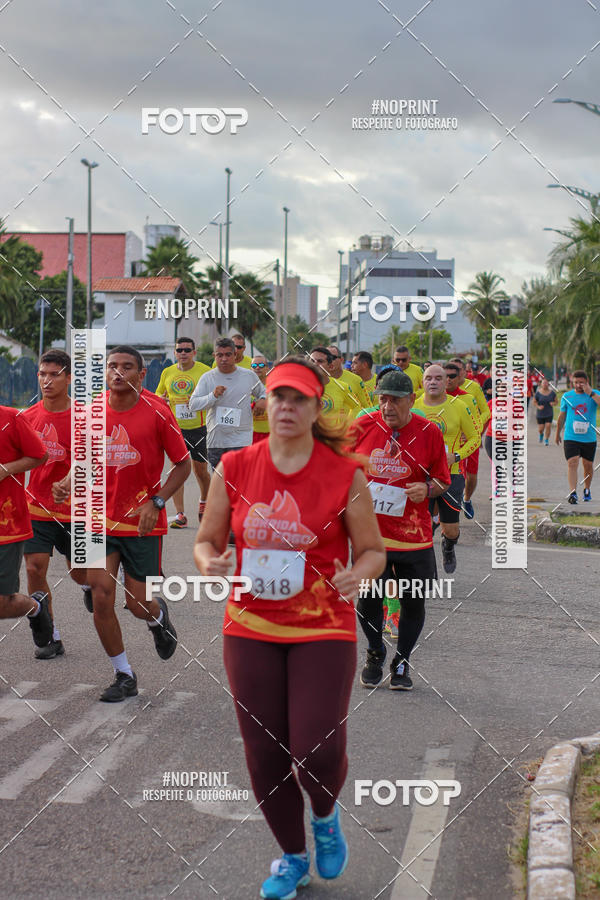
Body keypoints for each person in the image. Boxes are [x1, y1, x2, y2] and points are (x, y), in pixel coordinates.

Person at [194, 356, 385, 900]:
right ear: (265, 401)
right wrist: (208, 561)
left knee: (316, 747)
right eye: (279, 396)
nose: (287, 406)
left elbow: (372, 550)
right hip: (250, 624)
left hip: (322, 624)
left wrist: (358, 574)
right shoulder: (234, 466)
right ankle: (293, 856)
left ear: (316, 407)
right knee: (265, 751)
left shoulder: (344, 473)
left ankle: (324, 815)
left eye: (299, 398)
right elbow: (207, 541)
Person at [52, 346, 191, 702]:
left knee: (138, 604)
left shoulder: (158, 412)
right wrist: (69, 481)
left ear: (141, 374)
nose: (117, 372)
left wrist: (157, 501)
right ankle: (124, 674)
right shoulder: (92, 411)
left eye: (126, 367)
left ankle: (156, 618)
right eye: (112, 366)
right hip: (97, 518)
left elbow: (183, 465)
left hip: (142, 523)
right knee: (100, 595)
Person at [348, 370, 450, 691]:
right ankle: (375, 651)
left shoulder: (430, 432)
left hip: (413, 536)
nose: (387, 406)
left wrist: (426, 488)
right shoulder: (363, 426)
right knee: (368, 600)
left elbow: (443, 480)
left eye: (395, 399)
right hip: (371, 536)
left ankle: (402, 660)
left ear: (412, 400)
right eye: (382, 398)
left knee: (413, 601)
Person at [22, 350, 92, 659]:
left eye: (53, 375)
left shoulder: (84, 417)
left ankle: (88, 587)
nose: (46, 380)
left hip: (77, 510)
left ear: (68, 378)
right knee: (34, 568)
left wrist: (71, 481)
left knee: (80, 573)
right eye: (42, 374)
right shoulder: (28, 417)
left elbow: (92, 460)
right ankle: (51, 636)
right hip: (36, 509)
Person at [414, 365, 479, 573]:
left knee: (451, 530)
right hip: (421, 476)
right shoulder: (413, 406)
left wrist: (456, 456)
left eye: (438, 378)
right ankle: (425, 567)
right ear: (422, 382)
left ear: (446, 382)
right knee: (420, 528)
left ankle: (448, 546)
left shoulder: (459, 406)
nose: (433, 382)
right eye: (428, 378)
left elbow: (475, 438)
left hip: (450, 475)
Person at [0, 403, 52, 646]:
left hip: (7, 525)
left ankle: (36, 606)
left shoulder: (11, 418)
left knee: (2, 603)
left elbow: (40, 454)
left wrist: (6, 469)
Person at [155, 336, 210, 527]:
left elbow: (214, 396)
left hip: (199, 427)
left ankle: (204, 502)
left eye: (187, 350)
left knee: (200, 471)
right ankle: (180, 515)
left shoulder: (204, 371)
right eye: (180, 350)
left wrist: (199, 400)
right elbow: (157, 395)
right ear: (175, 353)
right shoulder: (167, 372)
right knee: (176, 469)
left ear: (194, 352)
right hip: (175, 428)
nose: (183, 353)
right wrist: (162, 399)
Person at [189, 337, 266, 471]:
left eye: (228, 354)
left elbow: (264, 392)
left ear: (235, 355)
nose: (224, 359)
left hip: (241, 439)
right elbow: (193, 404)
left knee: (240, 483)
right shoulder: (208, 378)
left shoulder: (248, 376)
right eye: (220, 355)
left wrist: (262, 400)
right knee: (220, 485)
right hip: (216, 441)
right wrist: (212, 396)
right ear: (214, 356)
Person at [449, 357, 490, 518]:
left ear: (464, 372)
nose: (454, 375)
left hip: (470, 438)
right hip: (451, 438)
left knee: (472, 475)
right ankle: (450, 504)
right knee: (455, 472)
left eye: (458, 371)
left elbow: (486, 411)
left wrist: (475, 430)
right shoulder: (442, 388)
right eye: (451, 372)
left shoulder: (473, 387)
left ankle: (467, 499)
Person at [555, 370, 600, 503]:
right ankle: (573, 493)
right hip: (571, 436)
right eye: (576, 382)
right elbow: (561, 416)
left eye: (581, 382)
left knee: (588, 465)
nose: (578, 385)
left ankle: (586, 489)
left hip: (589, 437)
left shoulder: (594, 394)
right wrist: (557, 433)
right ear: (572, 382)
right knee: (572, 462)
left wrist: (590, 393)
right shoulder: (567, 396)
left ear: (587, 382)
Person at [309, 347, 356, 427]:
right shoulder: (299, 386)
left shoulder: (342, 387)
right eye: (312, 361)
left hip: (331, 438)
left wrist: (347, 427)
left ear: (330, 367)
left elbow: (356, 406)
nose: (315, 364)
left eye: (320, 361)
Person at [327, 344, 370, 414]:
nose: (330, 361)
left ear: (341, 359)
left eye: (333, 357)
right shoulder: (320, 381)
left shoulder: (356, 380)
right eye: (327, 358)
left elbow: (367, 407)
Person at [251, 354, 270, 443]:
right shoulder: (245, 388)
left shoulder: (274, 387)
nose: (257, 368)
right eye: (254, 366)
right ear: (251, 369)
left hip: (271, 434)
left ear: (267, 368)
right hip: (251, 435)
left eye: (261, 365)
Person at [534, 377, 557, 445]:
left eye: (546, 383)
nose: (545, 384)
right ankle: (541, 434)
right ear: (541, 384)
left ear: (548, 384)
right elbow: (534, 402)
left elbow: (556, 401)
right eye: (543, 383)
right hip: (540, 414)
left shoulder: (552, 393)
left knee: (548, 426)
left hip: (549, 413)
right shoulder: (538, 393)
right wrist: (538, 406)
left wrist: (553, 403)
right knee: (540, 429)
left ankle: (546, 439)